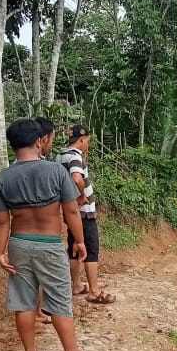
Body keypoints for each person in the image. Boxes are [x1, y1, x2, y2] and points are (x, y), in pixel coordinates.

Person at [0, 117, 98, 351]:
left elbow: (1, 220)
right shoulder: (56, 172)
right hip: (49, 244)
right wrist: (80, 241)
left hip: (19, 244)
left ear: (12, 145)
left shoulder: (2, 179)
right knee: (60, 300)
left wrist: (0, 252)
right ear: (39, 141)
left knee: (24, 302)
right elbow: (71, 211)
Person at [57, 122, 115, 306]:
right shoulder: (74, 157)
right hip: (83, 211)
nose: (88, 144)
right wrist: (82, 196)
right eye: (87, 141)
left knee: (74, 246)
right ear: (82, 140)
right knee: (91, 249)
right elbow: (76, 177)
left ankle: (76, 285)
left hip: (71, 210)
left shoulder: (61, 155)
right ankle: (94, 291)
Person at [34, 116, 56, 323]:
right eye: (52, 138)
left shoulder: (17, 166)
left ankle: (38, 309)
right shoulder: (43, 168)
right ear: (43, 139)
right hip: (41, 229)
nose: (52, 143)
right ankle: (39, 310)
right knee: (42, 272)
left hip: (23, 231)